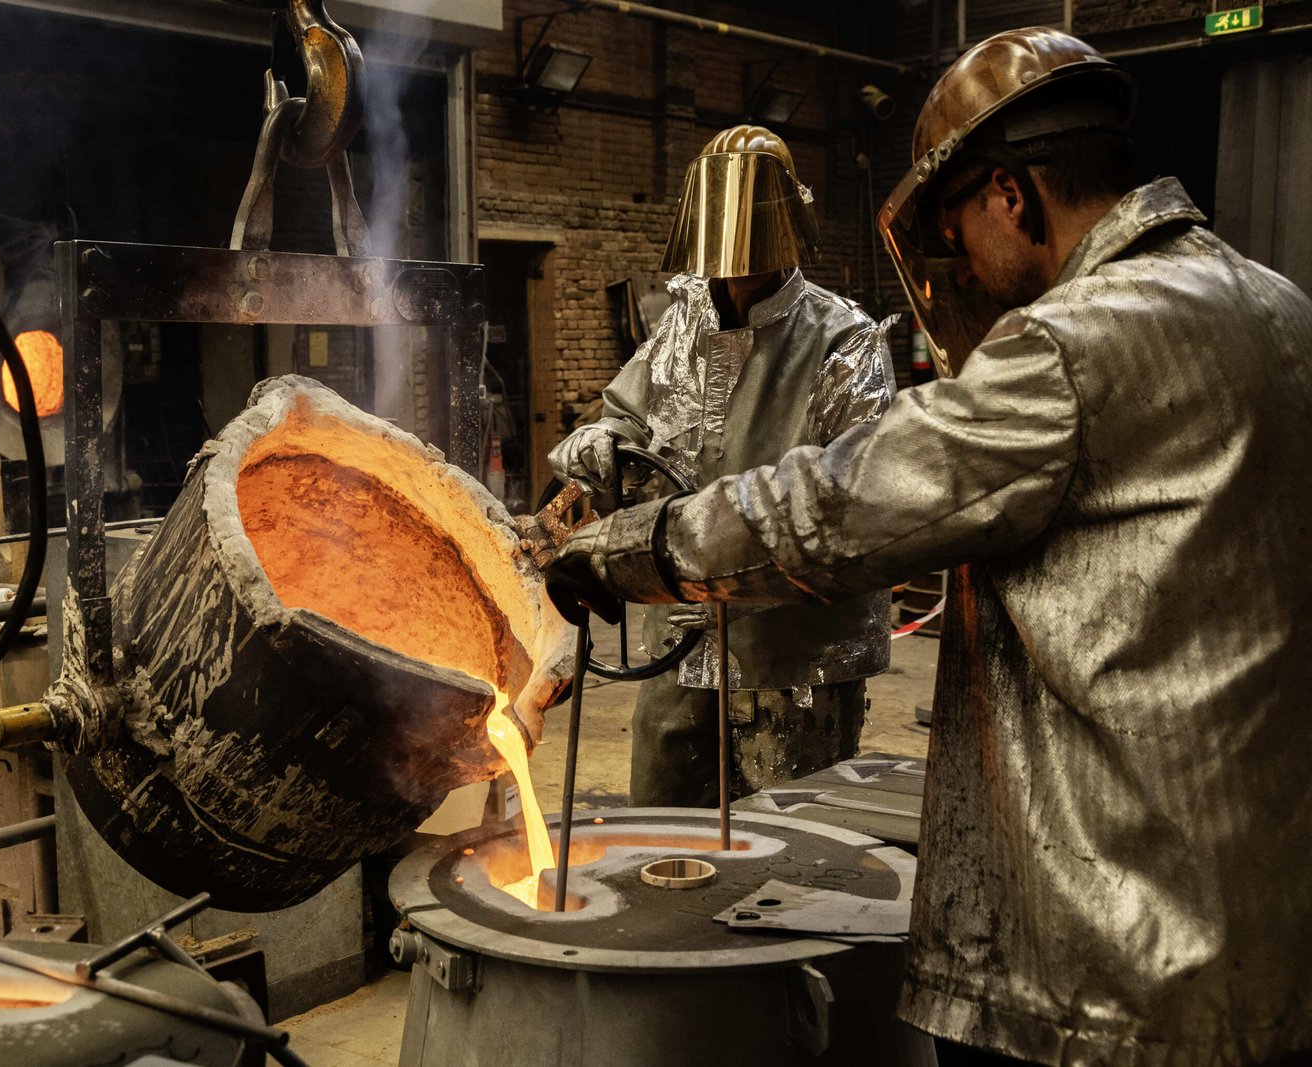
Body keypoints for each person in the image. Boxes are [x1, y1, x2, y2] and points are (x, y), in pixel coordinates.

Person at [533, 27, 1312, 1065]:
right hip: (1264, 923)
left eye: (957, 226)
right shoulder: (1278, 307)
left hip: (1119, 960)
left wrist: (630, 548)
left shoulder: (1067, 343)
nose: (964, 263)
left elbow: (839, 503)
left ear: (1009, 197)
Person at [547, 124, 897, 807]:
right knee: (661, 841)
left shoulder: (842, 340)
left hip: (791, 663)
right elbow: (620, 425)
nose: (732, 274)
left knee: (783, 854)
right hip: (675, 648)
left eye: (748, 256)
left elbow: (860, 504)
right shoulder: (682, 326)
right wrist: (588, 472)